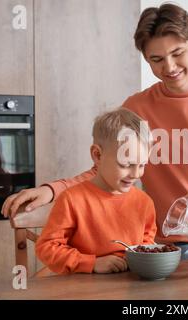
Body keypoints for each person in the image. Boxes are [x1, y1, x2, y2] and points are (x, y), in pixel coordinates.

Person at [2, 4, 188, 259]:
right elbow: (106, 169)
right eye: (156, 59)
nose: (169, 67)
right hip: (186, 243)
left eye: (178, 53)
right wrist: (53, 190)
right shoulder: (138, 108)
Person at [35, 108, 157, 274]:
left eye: (142, 165)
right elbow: (47, 248)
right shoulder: (72, 199)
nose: (136, 174)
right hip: (82, 289)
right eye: (126, 164)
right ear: (97, 155)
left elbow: (146, 242)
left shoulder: (144, 202)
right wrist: (91, 263)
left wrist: (139, 258)